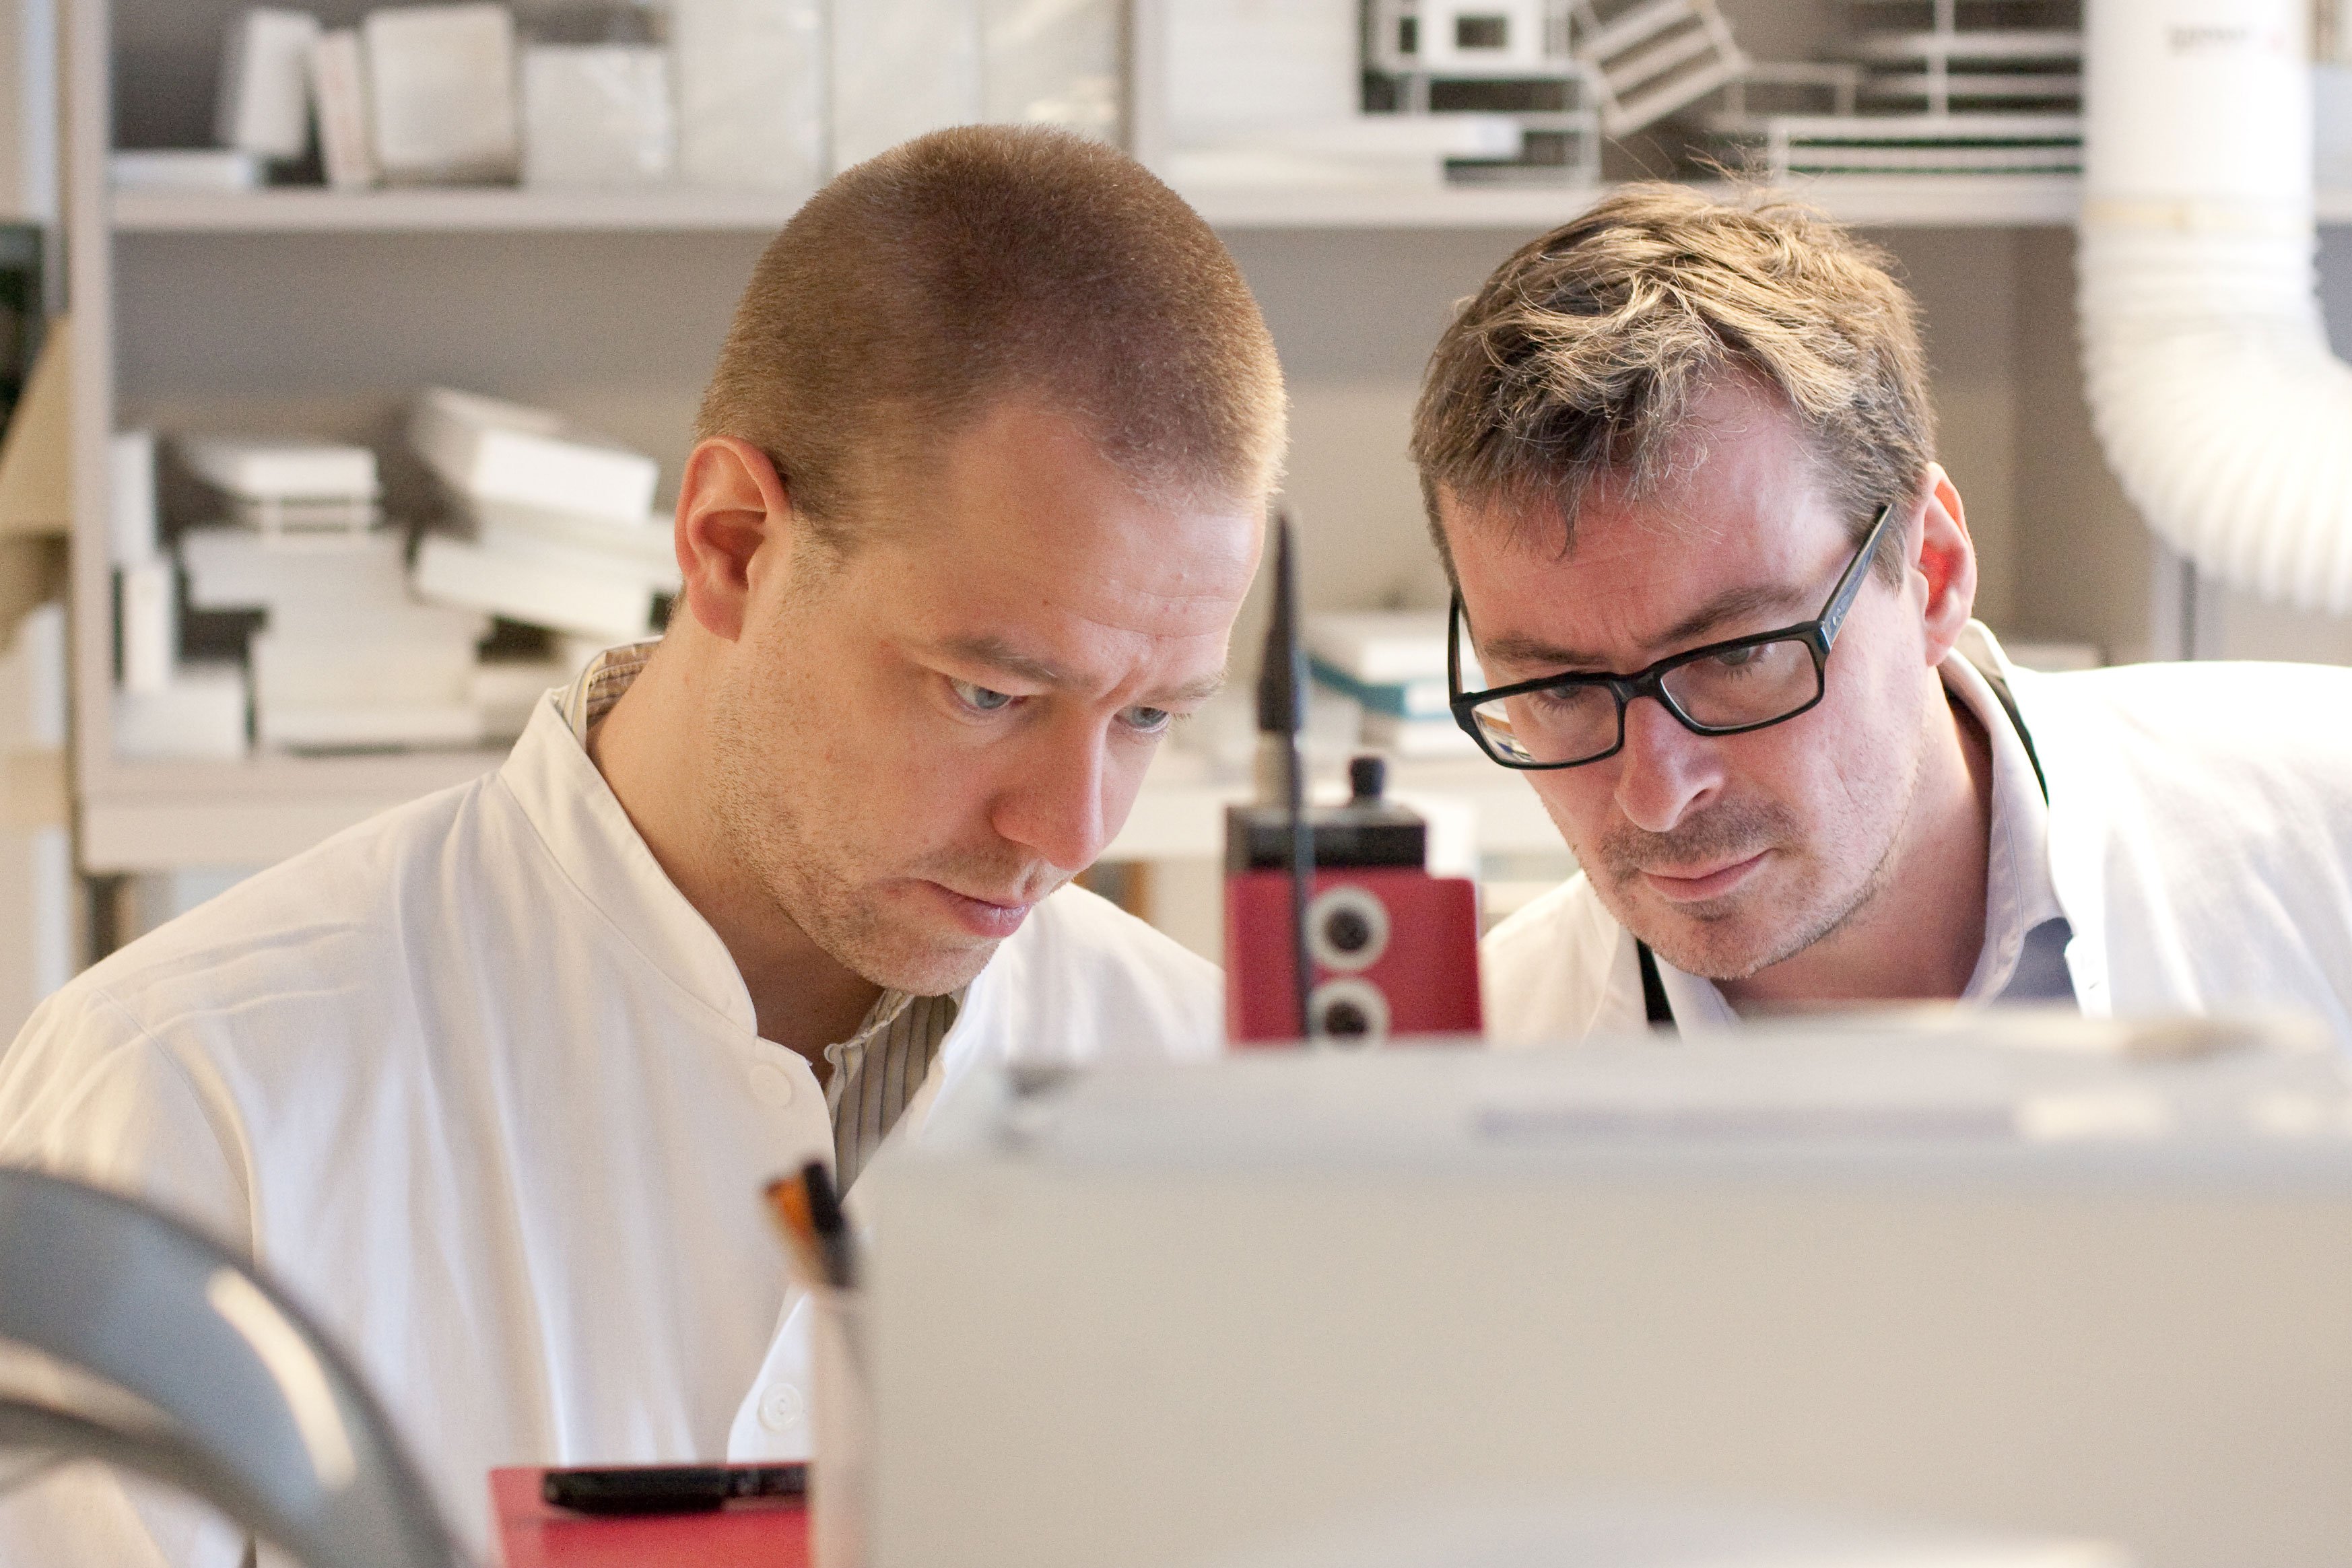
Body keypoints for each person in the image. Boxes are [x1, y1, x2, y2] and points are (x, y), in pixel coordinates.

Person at [0, 126, 1284, 1561]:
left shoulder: (1228, 1102)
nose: (1070, 832)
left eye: (1152, 715)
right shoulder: (197, 1092)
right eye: (987, 692)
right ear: (731, 542)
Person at [1413, 184, 2352, 1044]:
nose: (1654, 793)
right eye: (1561, 689)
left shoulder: (2325, 826)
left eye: (1736, 656)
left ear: (1932, 572)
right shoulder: (1475, 1062)